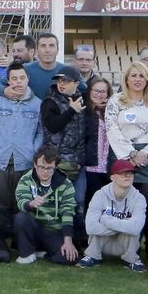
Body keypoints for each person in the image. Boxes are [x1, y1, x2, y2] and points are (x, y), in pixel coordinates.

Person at [0, 63, 43, 235]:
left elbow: (41, 132)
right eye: (14, 78)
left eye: (22, 78)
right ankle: (0, 236)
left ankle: (18, 237)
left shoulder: (37, 104)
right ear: (8, 81)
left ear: (28, 79)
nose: (18, 82)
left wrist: (33, 151)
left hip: (26, 162)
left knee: (22, 201)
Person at [104, 60, 148, 211]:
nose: (138, 79)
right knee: (120, 204)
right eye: (133, 75)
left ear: (147, 80)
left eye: (141, 76)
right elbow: (111, 128)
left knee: (146, 205)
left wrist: (144, 154)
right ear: (127, 79)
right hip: (121, 156)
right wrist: (131, 153)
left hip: (146, 158)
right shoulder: (116, 100)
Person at [12, 147, 78, 265]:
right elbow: (21, 201)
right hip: (33, 228)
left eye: (49, 168)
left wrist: (68, 240)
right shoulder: (26, 179)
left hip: (54, 230)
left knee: (69, 258)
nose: (45, 171)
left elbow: (68, 211)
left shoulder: (66, 184)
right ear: (35, 164)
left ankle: (44, 254)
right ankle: (27, 254)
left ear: (55, 166)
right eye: (41, 167)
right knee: (21, 218)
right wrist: (31, 203)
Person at [79, 159, 147, 272]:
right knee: (124, 228)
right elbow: (90, 228)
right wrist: (124, 225)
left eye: (130, 173)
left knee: (133, 232)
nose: (127, 176)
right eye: (122, 173)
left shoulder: (139, 198)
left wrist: (106, 220)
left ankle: (132, 260)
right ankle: (92, 256)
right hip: (103, 242)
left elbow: (136, 228)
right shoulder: (100, 195)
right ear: (113, 177)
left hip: (124, 242)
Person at [38, 64, 88, 220]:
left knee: (79, 202)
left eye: (66, 81)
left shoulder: (82, 99)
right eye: (59, 80)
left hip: (78, 161)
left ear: (76, 83)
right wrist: (71, 111)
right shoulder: (50, 101)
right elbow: (51, 126)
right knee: (55, 203)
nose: (61, 84)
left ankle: (77, 233)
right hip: (57, 161)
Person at [81, 77, 114, 227]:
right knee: (91, 203)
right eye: (95, 91)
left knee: (107, 206)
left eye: (103, 92)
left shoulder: (112, 112)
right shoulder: (84, 112)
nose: (99, 95)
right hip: (92, 165)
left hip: (109, 165)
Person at [24, 31, 62, 98]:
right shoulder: (25, 69)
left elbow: (83, 90)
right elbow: (3, 84)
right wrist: (5, 90)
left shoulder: (68, 71)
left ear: (57, 50)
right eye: (43, 46)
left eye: (51, 46)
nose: (47, 50)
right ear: (37, 50)